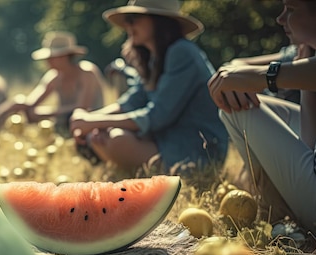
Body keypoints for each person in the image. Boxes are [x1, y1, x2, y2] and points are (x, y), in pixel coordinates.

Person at [207, 0, 316, 245]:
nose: (280, 19)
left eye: (290, 10)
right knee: (250, 104)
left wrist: (266, 77)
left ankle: (281, 218)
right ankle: (285, 213)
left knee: (235, 110)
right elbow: (312, 144)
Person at [69, 0, 228, 174]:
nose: (128, 25)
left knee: (117, 140)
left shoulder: (182, 52)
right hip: (166, 139)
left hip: (196, 150)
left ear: (158, 21)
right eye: (127, 20)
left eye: (134, 18)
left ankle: (138, 169)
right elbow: (132, 101)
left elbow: (157, 115)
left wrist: (93, 122)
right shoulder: (154, 59)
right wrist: (86, 120)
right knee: (103, 135)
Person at [0, 31, 105, 136]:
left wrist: (44, 113)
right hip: (65, 125)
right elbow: (31, 102)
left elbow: (82, 108)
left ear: (65, 56)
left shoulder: (86, 73)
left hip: (92, 128)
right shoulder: (54, 76)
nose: (48, 61)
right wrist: (11, 106)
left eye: (52, 57)